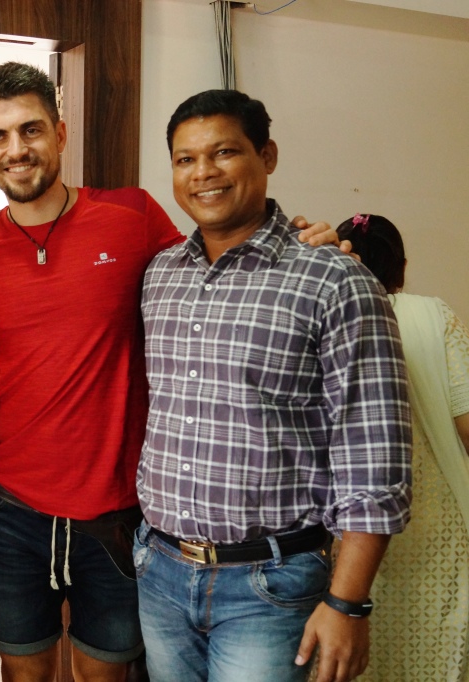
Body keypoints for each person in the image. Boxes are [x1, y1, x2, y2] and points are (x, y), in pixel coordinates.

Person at [0, 62, 343, 682]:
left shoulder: (130, 216)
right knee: (22, 670)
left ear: (59, 132)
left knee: (104, 673)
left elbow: (213, 273)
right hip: (13, 507)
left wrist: (301, 243)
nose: (16, 149)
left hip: (118, 510)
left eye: (31, 129)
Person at [132, 90, 412, 682]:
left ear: (267, 155)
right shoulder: (160, 276)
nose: (203, 173)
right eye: (185, 159)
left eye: (224, 152)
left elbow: (376, 461)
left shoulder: (336, 281)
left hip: (270, 585)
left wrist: (347, 603)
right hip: (159, 571)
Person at [337, 213, 469, 681]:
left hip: (349, 530)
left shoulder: (332, 314)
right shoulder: (435, 316)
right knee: (433, 656)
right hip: (435, 527)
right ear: (402, 267)